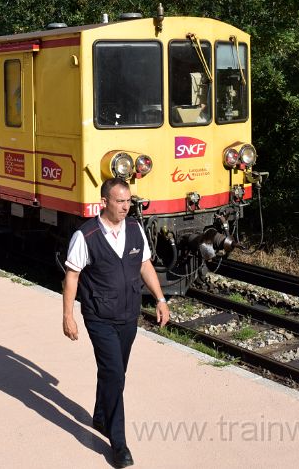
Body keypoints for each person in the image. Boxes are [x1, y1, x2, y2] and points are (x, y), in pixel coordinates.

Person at [62, 178, 170, 469]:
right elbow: (71, 276)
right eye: (120, 201)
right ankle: (118, 444)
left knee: (115, 371)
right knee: (116, 376)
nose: (126, 206)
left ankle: (100, 414)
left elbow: (145, 264)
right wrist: (68, 315)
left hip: (128, 314)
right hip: (99, 317)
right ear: (104, 202)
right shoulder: (86, 235)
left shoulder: (135, 229)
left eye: (129, 201)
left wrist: (160, 300)